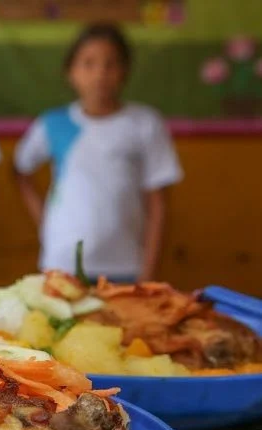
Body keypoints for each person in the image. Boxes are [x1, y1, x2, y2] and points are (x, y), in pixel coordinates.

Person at [14, 23, 182, 283]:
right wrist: (43, 220)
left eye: (110, 64)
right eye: (88, 63)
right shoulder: (52, 123)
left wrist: (148, 273)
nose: (100, 73)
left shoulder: (145, 123)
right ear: (71, 72)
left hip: (125, 264)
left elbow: (158, 205)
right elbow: (20, 171)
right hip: (62, 263)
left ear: (125, 71)